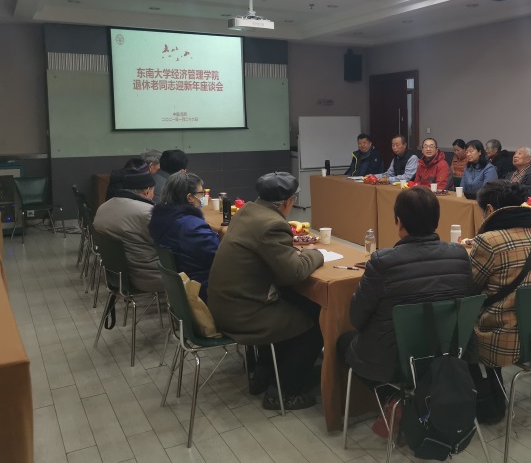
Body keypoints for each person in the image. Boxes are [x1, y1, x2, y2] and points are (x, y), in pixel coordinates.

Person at [207, 172, 323, 410]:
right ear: (288, 202)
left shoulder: (247, 212)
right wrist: (315, 254)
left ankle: (264, 374)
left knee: (293, 304)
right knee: (315, 322)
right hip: (244, 313)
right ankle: (284, 393)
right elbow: (295, 272)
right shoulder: (273, 225)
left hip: (226, 303)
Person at [337, 186, 472, 389]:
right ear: (436, 220)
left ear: (399, 222)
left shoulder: (382, 262)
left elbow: (356, 319)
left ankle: (389, 397)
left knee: (343, 342)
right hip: (445, 354)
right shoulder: (460, 255)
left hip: (395, 363)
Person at [469, 180, 531, 369]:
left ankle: (483, 385)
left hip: (502, 339)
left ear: (489, 209)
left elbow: (469, 288)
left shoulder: (489, 241)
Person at [148, 172, 220, 301]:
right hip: (201, 286)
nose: (203, 197)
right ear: (190, 197)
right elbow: (220, 254)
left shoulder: (159, 218)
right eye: (201, 193)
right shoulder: (191, 226)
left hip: (181, 285)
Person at [94, 166, 163, 293]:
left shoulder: (103, 208)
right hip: (149, 277)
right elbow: (166, 244)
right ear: (147, 191)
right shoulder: (147, 212)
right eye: (153, 191)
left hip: (115, 277)